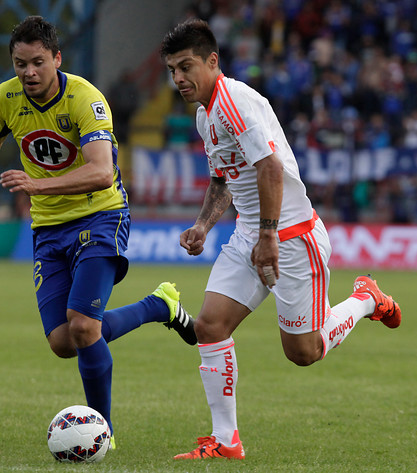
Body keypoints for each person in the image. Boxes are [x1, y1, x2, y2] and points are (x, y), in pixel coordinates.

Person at [0, 16, 197, 447]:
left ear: (57, 58)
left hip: (100, 216)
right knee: (63, 340)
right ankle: (158, 306)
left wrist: (36, 184)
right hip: (48, 227)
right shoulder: (4, 99)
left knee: (82, 326)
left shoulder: (85, 99)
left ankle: (103, 433)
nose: (29, 73)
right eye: (20, 64)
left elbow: (101, 172)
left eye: (38, 62)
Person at [160, 19, 402, 460]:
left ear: (212, 61)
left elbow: (269, 166)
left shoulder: (233, 101)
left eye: (186, 66)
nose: (178, 77)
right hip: (249, 235)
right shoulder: (204, 115)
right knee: (209, 326)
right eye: (172, 69)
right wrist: (203, 225)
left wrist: (269, 235)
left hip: (290, 237)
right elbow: (223, 180)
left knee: (304, 352)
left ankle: (366, 299)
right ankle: (226, 441)